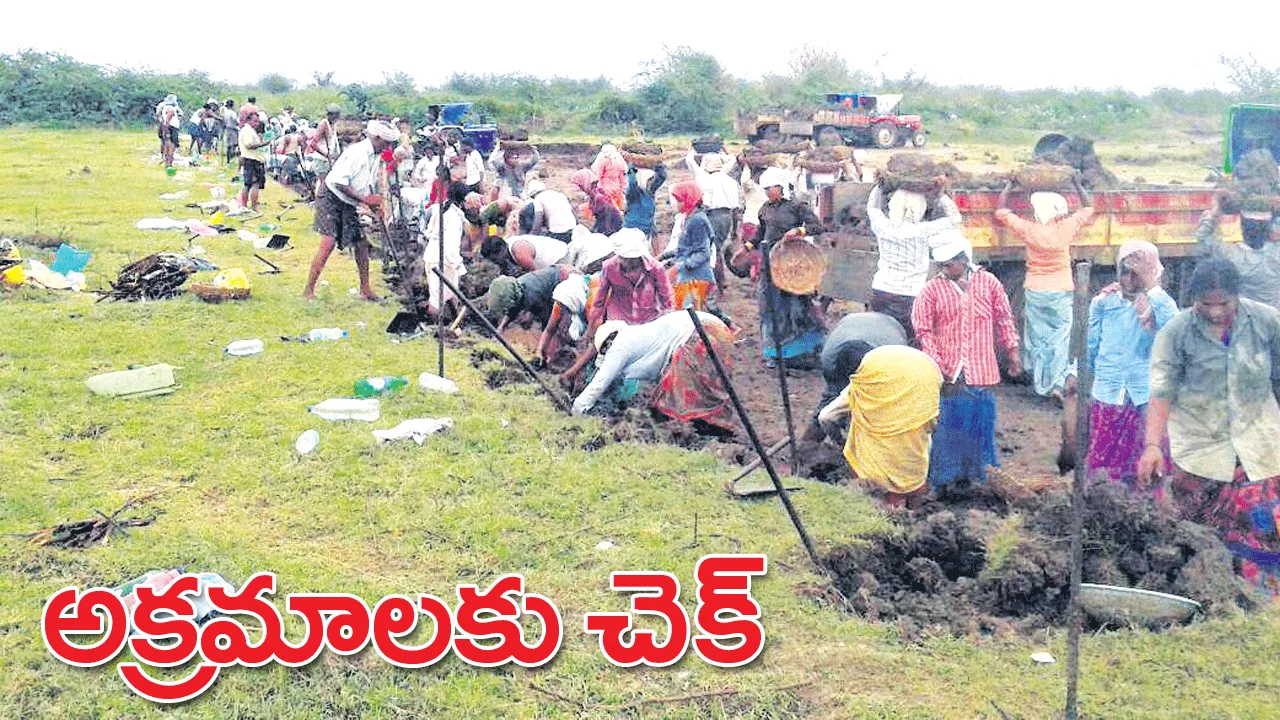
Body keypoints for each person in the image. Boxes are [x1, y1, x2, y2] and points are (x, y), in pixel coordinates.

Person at [1139, 258, 1280, 594]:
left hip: (1260, 447)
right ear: (1193, 300)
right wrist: (1153, 446)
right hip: (1202, 454)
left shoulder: (1266, 321)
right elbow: (1161, 392)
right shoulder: (1176, 333)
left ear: (1237, 296)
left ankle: (1263, 599)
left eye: (1224, 304)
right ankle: (1210, 595)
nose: (1215, 312)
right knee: (1201, 537)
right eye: (1206, 304)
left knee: (1264, 527)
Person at [912, 231, 1021, 490]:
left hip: (981, 371)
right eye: (941, 265)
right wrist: (938, 364)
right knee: (948, 430)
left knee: (980, 427)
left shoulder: (989, 283)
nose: (944, 269)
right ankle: (944, 481)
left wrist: (1013, 352)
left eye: (949, 264)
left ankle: (981, 478)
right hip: (950, 372)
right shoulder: (931, 290)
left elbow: (1004, 319)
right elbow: (923, 330)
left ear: (963, 261)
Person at [1079, 241, 1179, 495]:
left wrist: (1151, 287)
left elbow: (1175, 330)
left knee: (1147, 469)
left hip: (1145, 399)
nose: (1130, 280)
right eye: (1126, 273)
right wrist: (1075, 375)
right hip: (1108, 396)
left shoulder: (1159, 305)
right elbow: (1090, 346)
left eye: (1138, 274)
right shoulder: (1104, 303)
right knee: (1103, 470)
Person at [994, 178, 1096, 400]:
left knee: (1038, 340)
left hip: (1035, 291)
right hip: (1061, 291)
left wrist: (1010, 185)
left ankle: (1041, 385)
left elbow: (1000, 211)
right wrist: (1076, 183)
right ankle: (1056, 384)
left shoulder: (1029, 230)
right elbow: (1088, 208)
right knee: (1059, 340)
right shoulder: (1066, 228)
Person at [817, 345, 943, 508]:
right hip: (915, 463)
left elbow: (826, 417)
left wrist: (840, 441)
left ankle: (888, 513)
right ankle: (916, 510)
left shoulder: (863, 383)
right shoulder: (894, 365)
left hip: (879, 474)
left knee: (884, 504)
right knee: (919, 441)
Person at [572, 312, 736, 436]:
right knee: (707, 389)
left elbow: (600, 382)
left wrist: (578, 407)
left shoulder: (620, 344)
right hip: (717, 331)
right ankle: (712, 427)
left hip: (700, 334)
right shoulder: (638, 336)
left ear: (609, 342)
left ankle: (703, 430)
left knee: (679, 397)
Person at [731, 167, 826, 368]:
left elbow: (817, 226)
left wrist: (799, 231)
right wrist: (745, 248)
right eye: (765, 189)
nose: (767, 192)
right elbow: (760, 234)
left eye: (770, 188)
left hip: (791, 265)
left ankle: (806, 350)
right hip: (769, 263)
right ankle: (774, 353)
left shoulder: (796, 206)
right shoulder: (765, 209)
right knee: (770, 307)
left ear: (781, 187)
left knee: (796, 307)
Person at [561, 229, 674, 387]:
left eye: (627, 258)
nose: (623, 261)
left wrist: (667, 326)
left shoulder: (656, 269)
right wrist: (590, 330)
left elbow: (667, 299)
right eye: (621, 257)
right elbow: (599, 301)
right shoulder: (610, 267)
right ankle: (573, 374)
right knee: (601, 345)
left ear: (637, 257)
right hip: (618, 318)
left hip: (646, 320)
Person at [303, 119, 400, 301]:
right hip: (331, 197)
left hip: (348, 201)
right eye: (386, 143)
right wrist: (365, 200)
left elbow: (366, 185)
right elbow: (339, 182)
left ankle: (365, 290)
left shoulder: (375, 156)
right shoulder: (357, 153)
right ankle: (308, 291)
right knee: (328, 242)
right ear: (377, 138)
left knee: (361, 244)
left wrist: (374, 205)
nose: (388, 147)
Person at [865, 183, 963, 339]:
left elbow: (872, 207)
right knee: (909, 340)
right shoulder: (922, 230)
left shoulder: (883, 226)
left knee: (881, 337)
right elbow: (955, 218)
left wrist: (881, 185)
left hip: (881, 291)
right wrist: (939, 194)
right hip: (911, 295)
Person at [804, 312, 910, 441]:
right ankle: (810, 441)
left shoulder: (891, 361)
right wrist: (839, 440)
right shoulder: (829, 360)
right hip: (849, 324)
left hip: (890, 326)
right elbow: (833, 394)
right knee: (833, 395)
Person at [1196, 192, 1280, 311]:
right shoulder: (1276, 254)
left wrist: (1214, 213)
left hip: (1241, 316)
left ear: (1243, 227)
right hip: (1273, 317)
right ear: (1268, 228)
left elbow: (1203, 237)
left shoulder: (1231, 254)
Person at [667, 182, 718, 314]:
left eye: (680, 201)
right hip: (691, 275)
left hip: (696, 277)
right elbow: (688, 248)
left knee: (686, 315)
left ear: (689, 200)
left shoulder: (697, 221)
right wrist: (667, 257)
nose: (677, 204)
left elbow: (703, 252)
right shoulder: (690, 218)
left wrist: (681, 266)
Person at [422, 182, 471, 319]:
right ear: (462, 200)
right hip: (442, 261)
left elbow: (429, 232)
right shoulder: (453, 218)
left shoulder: (441, 209)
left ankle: (454, 322)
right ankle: (434, 326)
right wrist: (460, 267)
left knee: (449, 294)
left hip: (433, 257)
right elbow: (450, 247)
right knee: (437, 299)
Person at [488, 266, 572, 333]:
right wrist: (501, 327)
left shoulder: (533, 296)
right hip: (554, 277)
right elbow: (513, 309)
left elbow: (548, 321)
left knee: (562, 325)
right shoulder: (517, 288)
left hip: (565, 280)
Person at [481, 233, 569, 275]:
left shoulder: (519, 252)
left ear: (501, 250)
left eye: (495, 259)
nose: (495, 262)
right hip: (550, 264)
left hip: (561, 258)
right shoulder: (506, 245)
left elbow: (536, 276)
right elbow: (503, 269)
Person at [571, 169, 623, 236]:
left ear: (585, 183)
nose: (580, 188)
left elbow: (607, 213)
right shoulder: (597, 192)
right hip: (609, 222)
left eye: (580, 186)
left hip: (610, 224)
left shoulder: (598, 197)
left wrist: (603, 232)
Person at [623, 164, 668, 241]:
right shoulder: (634, 194)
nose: (651, 181)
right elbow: (632, 183)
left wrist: (658, 164)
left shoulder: (650, 191)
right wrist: (631, 169)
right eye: (649, 179)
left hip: (647, 229)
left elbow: (661, 177)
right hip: (633, 230)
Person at [237, 113, 271, 211]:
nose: (257, 123)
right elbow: (248, 145)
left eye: (257, 121)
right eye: (255, 121)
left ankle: (244, 206)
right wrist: (262, 144)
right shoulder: (248, 131)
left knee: (247, 184)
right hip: (252, 160)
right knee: (255, 184)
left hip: (249, 159)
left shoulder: (248, 130)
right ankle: (253, 206)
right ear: (249, 121)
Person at [591, 143, 628, 210]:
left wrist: (596, 189)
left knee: (607, 208)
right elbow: (622, 177)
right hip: (616, 187)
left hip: (605, 187)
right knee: (616, 207)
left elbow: (598, 176)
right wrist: (622, 190)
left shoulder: (602, 159)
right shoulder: (619, 160)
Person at [155, 94, 182, 167]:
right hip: (172, 127)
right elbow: (169, 115)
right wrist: (166, 124)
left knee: (166, 142)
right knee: (172, 144)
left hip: (166, 126)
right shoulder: (171, 108)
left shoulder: (164, 107)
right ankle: (169, 160)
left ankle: (167, 159)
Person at [221, 99, 239, 165]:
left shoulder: (226, 113)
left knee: (229, 145)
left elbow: (223, 121)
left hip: (227, 129)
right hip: (233, 129)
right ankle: (231, 157)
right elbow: (236, 120)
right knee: (234, 144)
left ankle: (228, 159)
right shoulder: (232, 113)